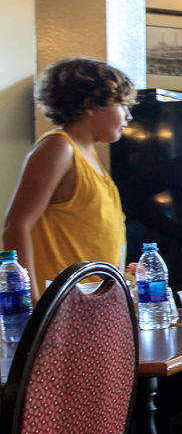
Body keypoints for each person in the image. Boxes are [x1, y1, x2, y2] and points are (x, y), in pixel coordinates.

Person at [2, 57, 135, 290]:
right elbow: (16, 226)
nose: (128, 116)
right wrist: (32, 303)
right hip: (60, 302)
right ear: (90, 105)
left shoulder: (90, 155)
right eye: (121, 105)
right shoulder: (58, 148)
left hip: (92, 300)